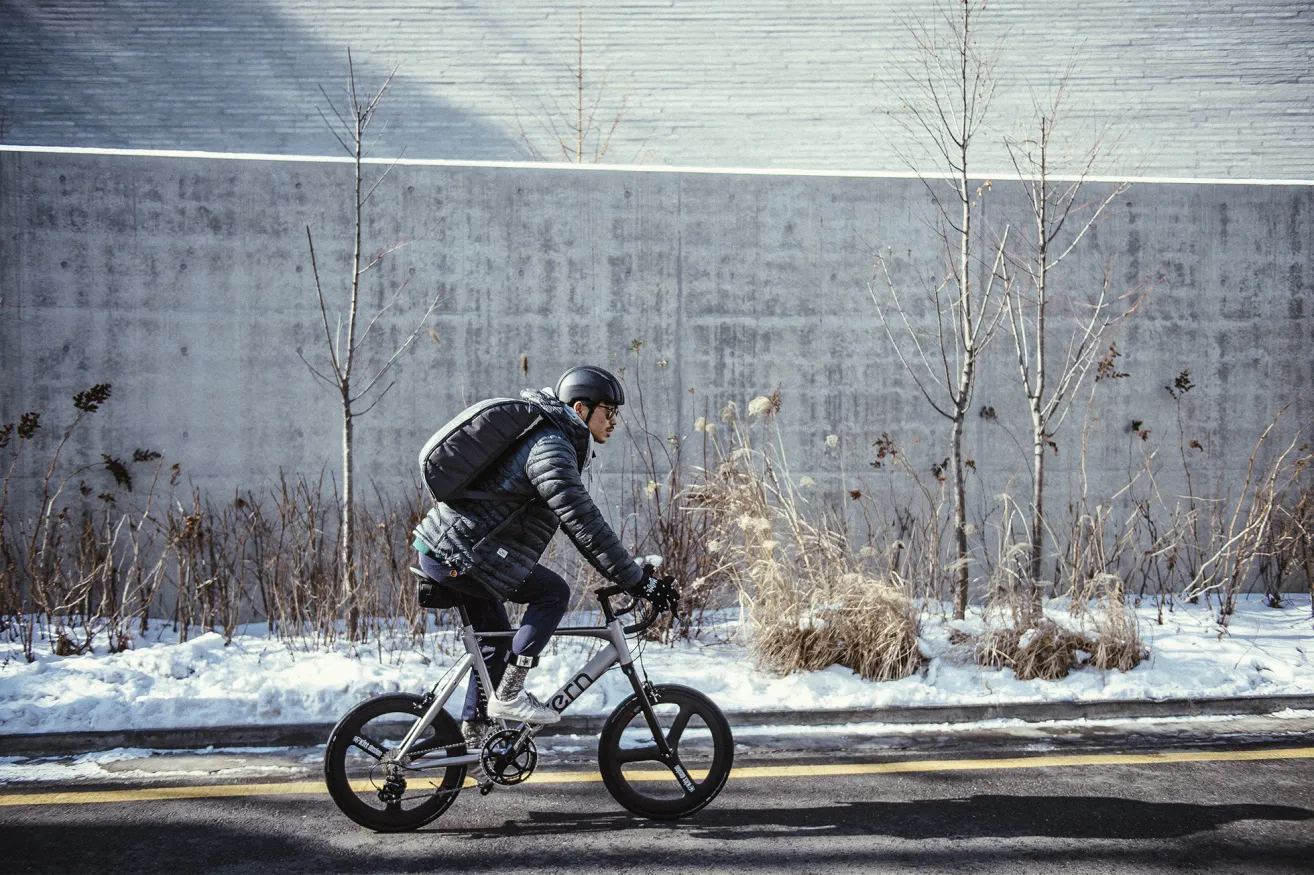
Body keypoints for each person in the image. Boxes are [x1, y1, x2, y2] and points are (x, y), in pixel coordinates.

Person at [411, 365, 676, 746]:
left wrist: (631, 575)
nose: (615, 421)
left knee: (497, 641)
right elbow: (584, 523)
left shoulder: (553, 440)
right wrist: (636, 580)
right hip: (460, 553)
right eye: (609, 411)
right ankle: (511, 695)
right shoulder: (551, 447)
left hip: (456, 550)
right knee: (552, 592)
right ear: (581, 408)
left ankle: (474, 733)